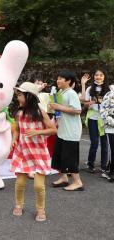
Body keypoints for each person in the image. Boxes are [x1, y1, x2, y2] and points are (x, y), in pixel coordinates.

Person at [11, 82, 57, 222]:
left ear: (29, 96)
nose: (18, 97)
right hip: (23, 152)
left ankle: (41, 209)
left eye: (20, 95)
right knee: (19, 183)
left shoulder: (40, 112)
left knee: (38, 185)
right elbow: (18, 129)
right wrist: (14, 139)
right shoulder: (19, 113)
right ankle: (18, 205)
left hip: (38, 153)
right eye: (18, 95)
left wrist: (37, 132)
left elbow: (53, 130)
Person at [50, 70, 84, 191]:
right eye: (58, 78)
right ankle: (64, 177)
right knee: (60, 155)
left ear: (68, 81)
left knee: (70, 157)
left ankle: (78, 182)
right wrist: (55, 111)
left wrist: (58, 107)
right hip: (63, 129)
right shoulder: (60, 92)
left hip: (71, 131)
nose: (58, 80)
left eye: (61, 78)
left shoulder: (71, 93)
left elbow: (77, 110)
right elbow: (59, 110)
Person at [80, 69, 110, 173]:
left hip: (105, 119)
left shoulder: (109, 89)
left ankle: (104, 165)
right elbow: (84, 101)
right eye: (97, 75)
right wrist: (83, 84)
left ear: (104, 76)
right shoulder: (90, 88)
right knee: (94, 142)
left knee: (104, 143)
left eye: (101, 75)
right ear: (94, 77)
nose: (99, 77)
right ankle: (90, 164)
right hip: (93, 118)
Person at [100, 85, 114, 181]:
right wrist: (112, 121)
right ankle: (111, 172)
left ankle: (109, 169)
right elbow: (103, 110)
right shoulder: (109, 94)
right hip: (111, 126)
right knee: (113, 149)